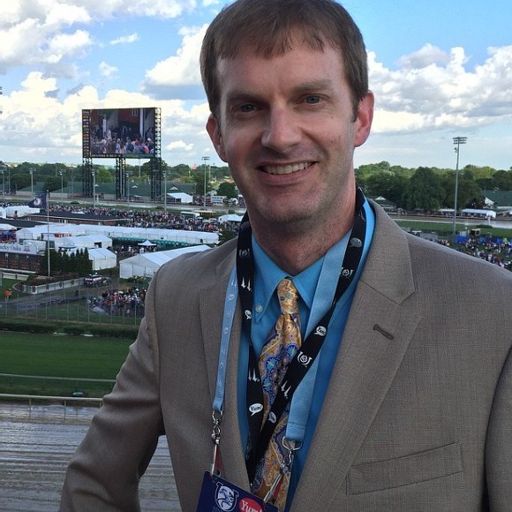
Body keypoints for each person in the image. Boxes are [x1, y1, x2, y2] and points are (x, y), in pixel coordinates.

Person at [60, 0, 512, 510]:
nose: (280, 137)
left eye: (310, 99)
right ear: (218, 135)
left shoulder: (492, 312)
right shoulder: (177, 296)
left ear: (360, 118)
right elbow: (94, 482)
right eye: (249, 107)